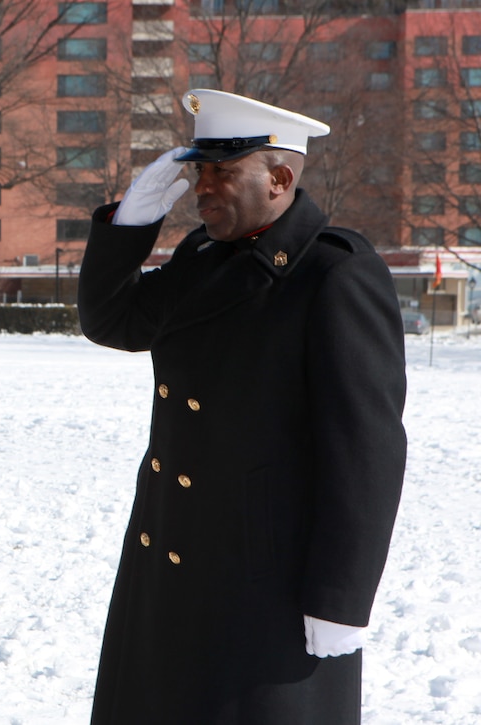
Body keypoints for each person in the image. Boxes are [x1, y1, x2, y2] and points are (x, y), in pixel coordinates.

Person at [77, 89, 407, 724]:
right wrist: (132, 224)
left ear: (280, 177)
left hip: (267, 584)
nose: (202, 188)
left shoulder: (333, 273)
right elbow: (114, 320)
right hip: (172, 556)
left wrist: (340, 597)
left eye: (222, 172)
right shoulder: (203, 258)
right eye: (199, 171)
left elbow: (367, 450)